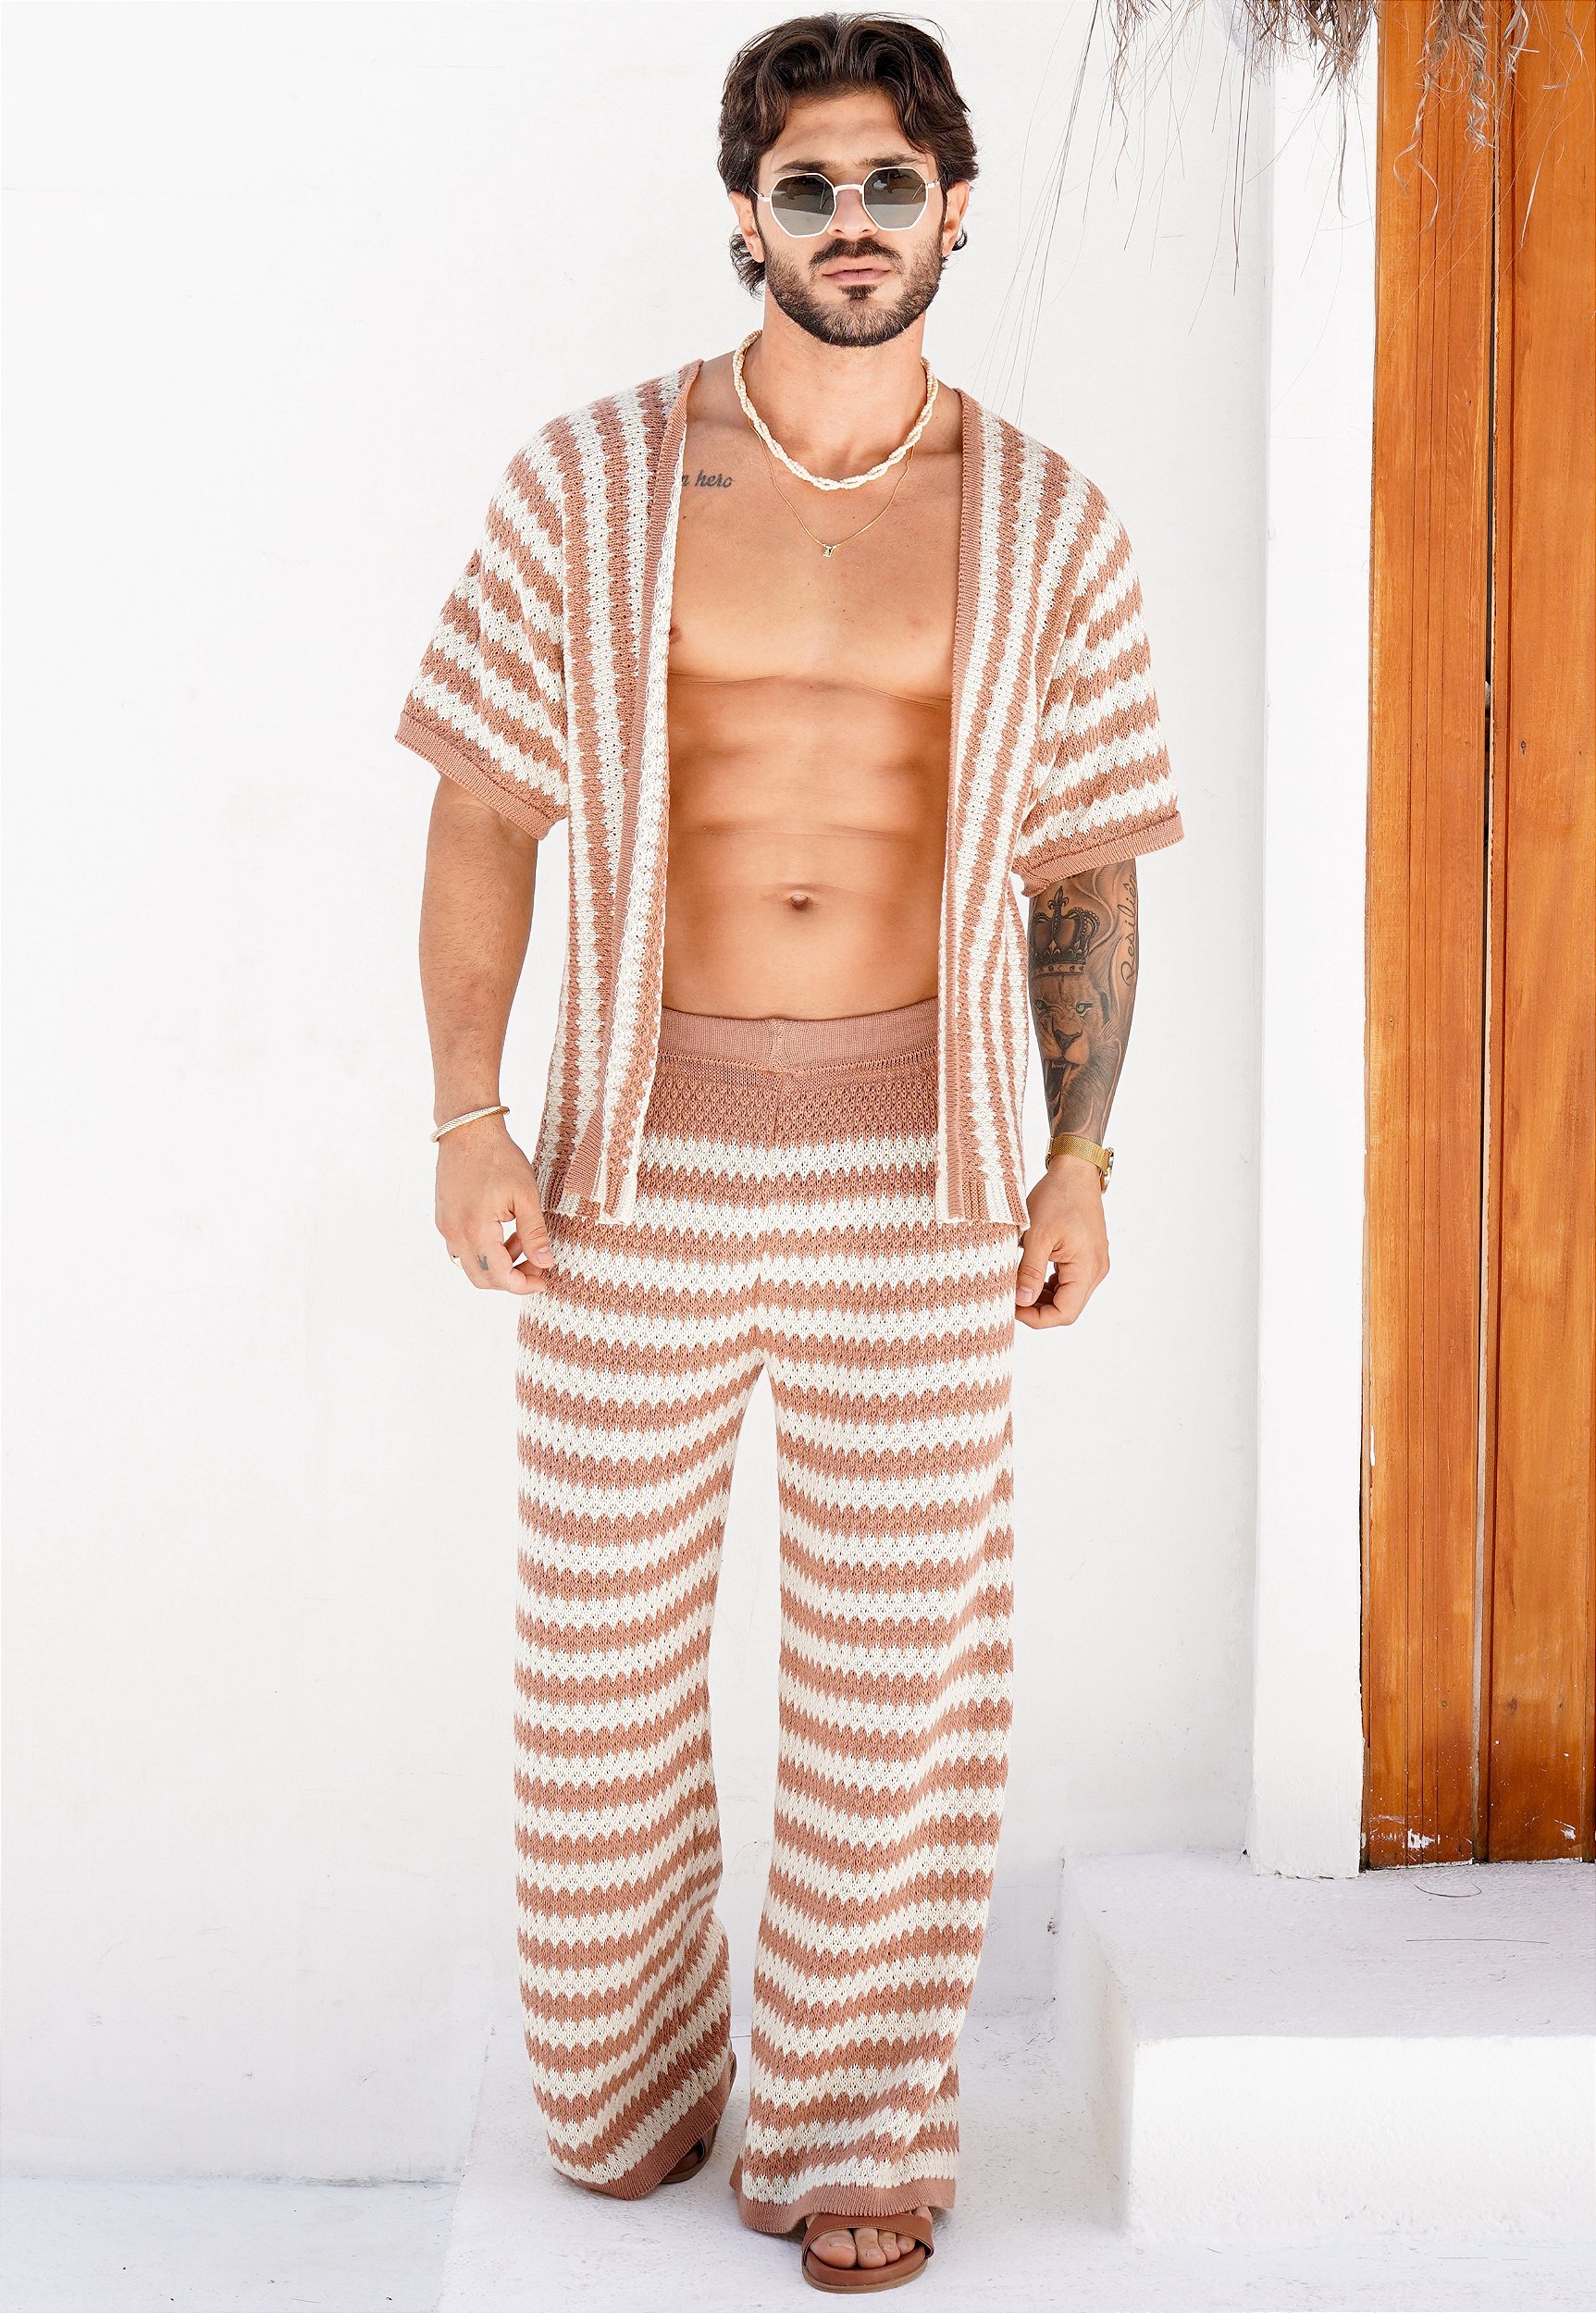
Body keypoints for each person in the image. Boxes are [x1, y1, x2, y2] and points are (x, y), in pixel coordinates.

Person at [394, 11, 1183, 2292]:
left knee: (892, 1678)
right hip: (631, 1162)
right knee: (597, 1662)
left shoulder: (1043, 518)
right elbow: (485, 811)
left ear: (954, 208)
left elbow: (1082, 865)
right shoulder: (592, 480)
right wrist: (466, 1115)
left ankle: (852, 2124)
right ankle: (624, 2077)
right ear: (743, 215)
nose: (851, 221)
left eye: (888, 182)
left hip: (918, 1181)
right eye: (808, 184)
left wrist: (1077, 1158)